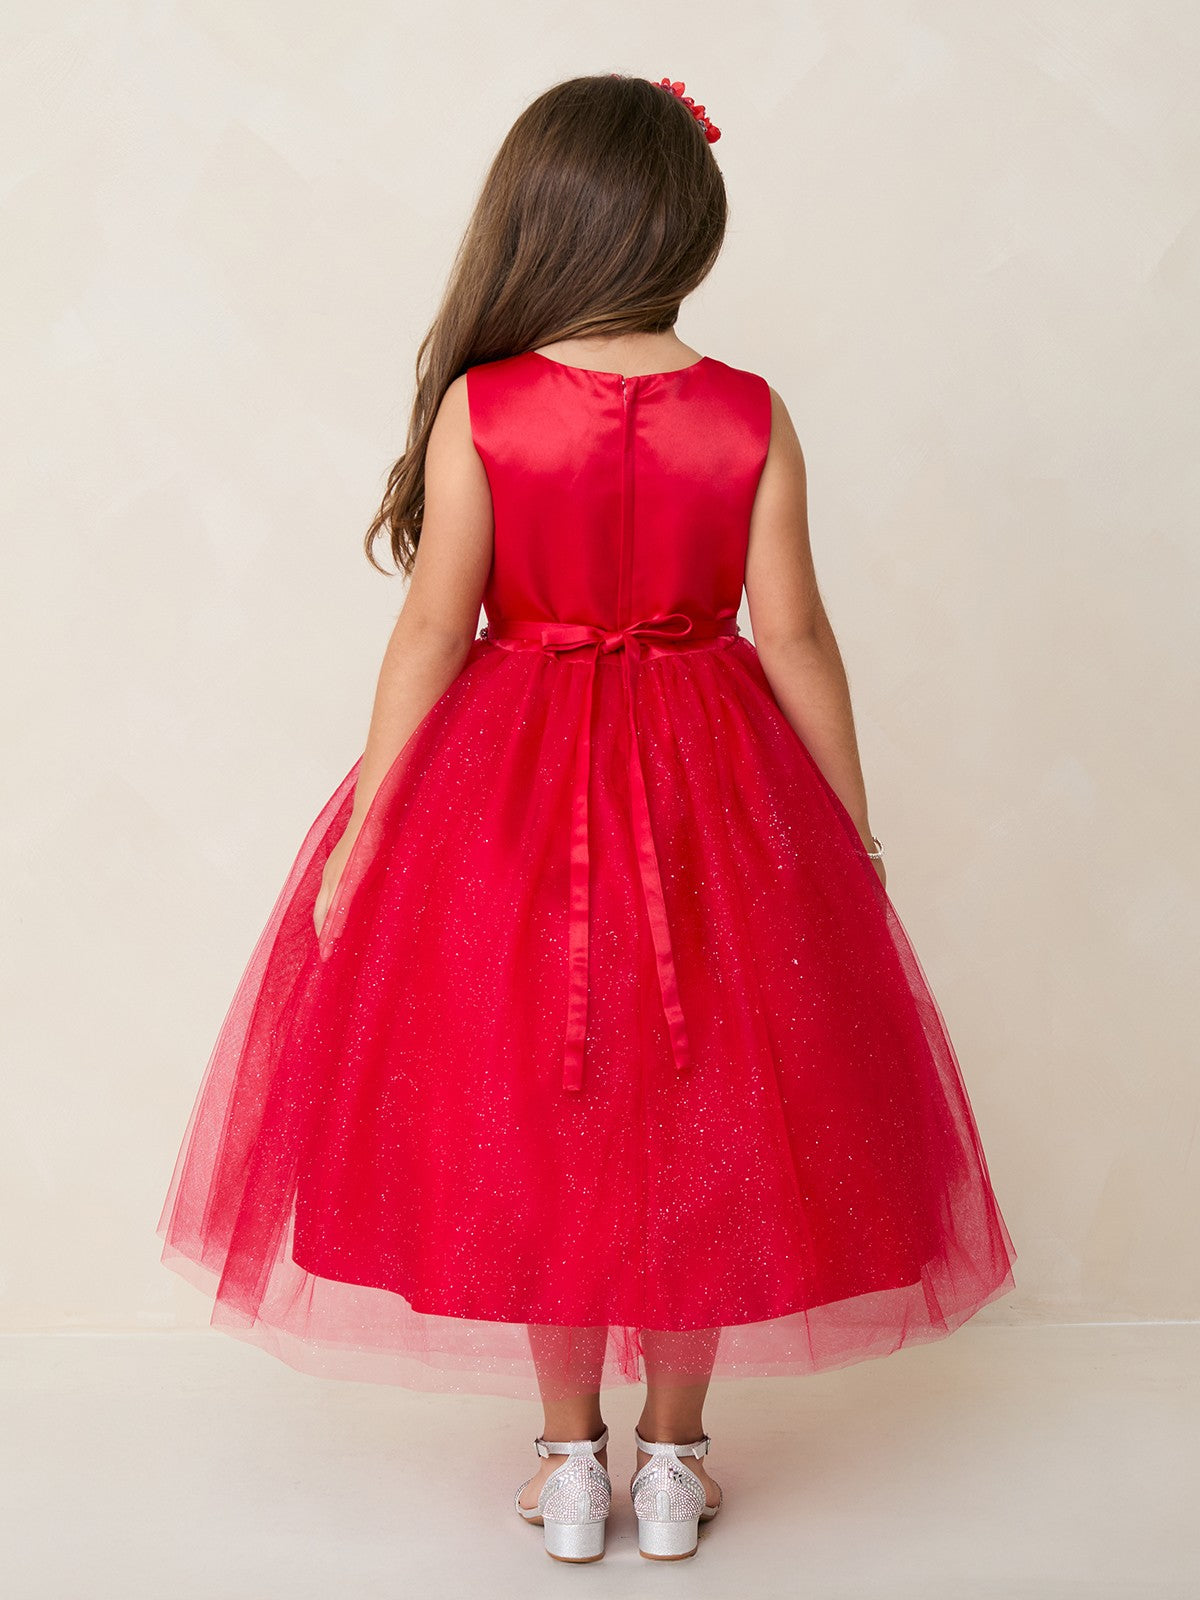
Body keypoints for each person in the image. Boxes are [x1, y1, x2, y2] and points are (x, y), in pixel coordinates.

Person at [156, 72, 1017, 1565]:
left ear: (543, 219)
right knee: (703, 1110)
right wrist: (848, 832)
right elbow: (796, 635)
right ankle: (673, 1463)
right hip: (713, 790)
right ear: (689, 224)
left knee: (542, 1113)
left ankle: (568, 1465)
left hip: (513, 792)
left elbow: (436, 627)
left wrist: (372, 822)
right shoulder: (748, 414)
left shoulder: (486, 409)